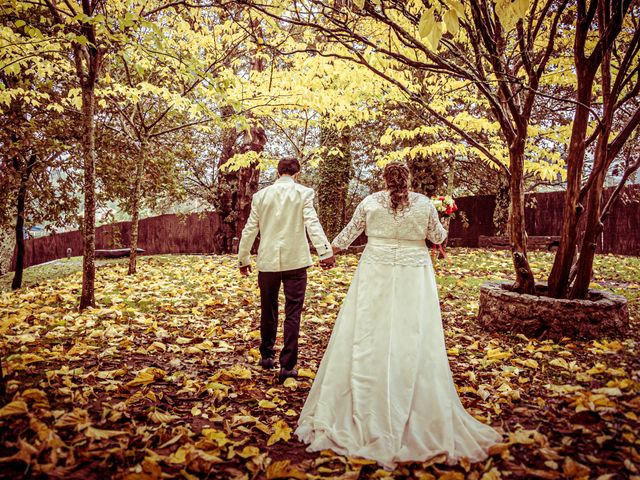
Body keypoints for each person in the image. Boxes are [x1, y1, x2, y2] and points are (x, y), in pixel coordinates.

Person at [295, 162, 502, 469]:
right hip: (413, 273)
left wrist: (330, 253)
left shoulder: (369, 203)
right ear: (409, 180)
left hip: (375, 270)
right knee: (411, 330)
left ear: (384, 179)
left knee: (367, 329)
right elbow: (439, 238)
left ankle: (363, 395)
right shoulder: (424, 204)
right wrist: (444, 219)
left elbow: (349, 233)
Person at [238, 157, 335, 383]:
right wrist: (325, 252)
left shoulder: (261, 196)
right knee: (293, 313)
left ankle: (266, 355)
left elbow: (249, 229)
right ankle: (287, 365)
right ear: (297, 173)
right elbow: (312, 223)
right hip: (296, 262)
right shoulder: (303, 193)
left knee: (268, 308)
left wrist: (243, 259)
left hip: (268, 262)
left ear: (278, 172)